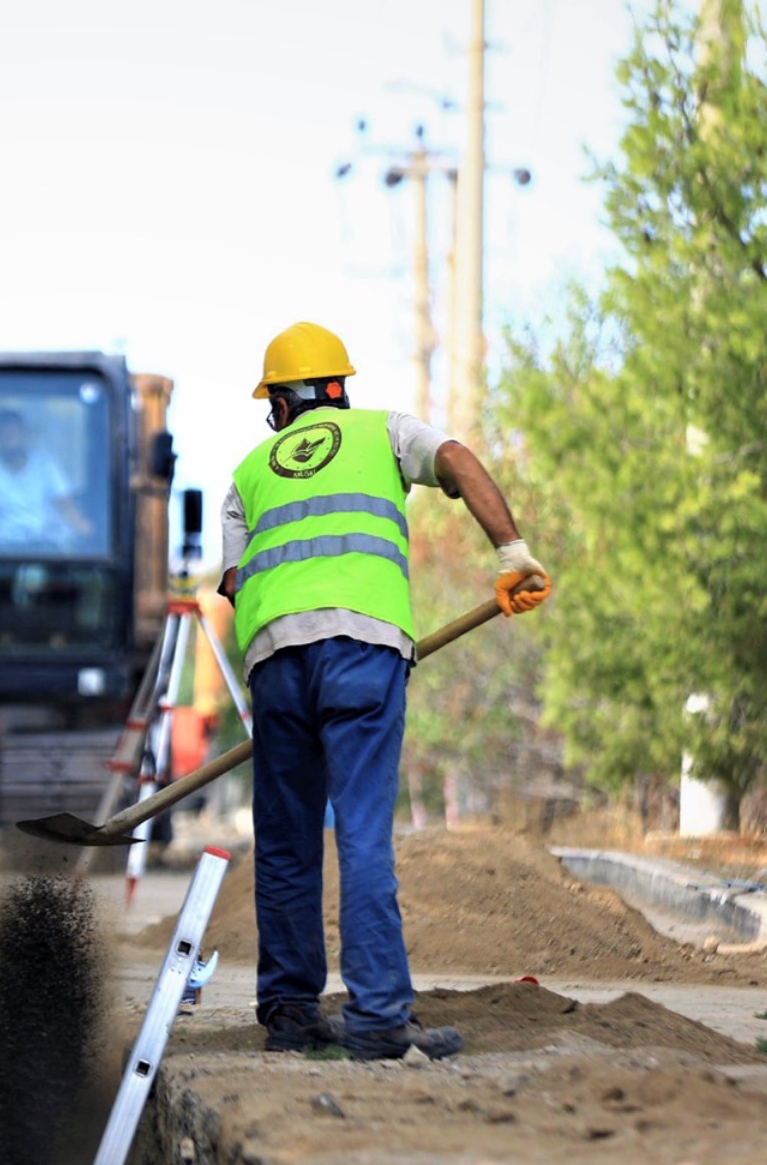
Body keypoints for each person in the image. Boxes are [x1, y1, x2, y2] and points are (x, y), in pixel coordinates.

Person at [218, 321, 551, 1061]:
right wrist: (512, 553)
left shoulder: (245, 475)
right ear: (339, 387)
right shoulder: (383, 431)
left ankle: (292, 1013)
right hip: (364, 651)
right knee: (363, 831)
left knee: (285, 842)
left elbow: (238, 585)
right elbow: (458, 460)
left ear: (280, 405)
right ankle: (375, 1018)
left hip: (276, 658)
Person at [0, 408, 95, 551]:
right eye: (3, 433)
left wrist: (82, 528)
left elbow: (66, 505)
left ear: (24, 434)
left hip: (44, 544)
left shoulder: (46, 464)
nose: (9, 438)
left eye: (13, 432)